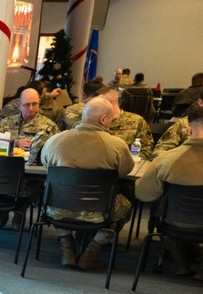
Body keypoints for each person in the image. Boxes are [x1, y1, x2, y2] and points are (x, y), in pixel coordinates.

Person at [39, 97, 135, 270]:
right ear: (103, 119)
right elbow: (124, 171)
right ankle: (92, 251)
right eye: (112, 118)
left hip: (58, 208)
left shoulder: (54, 141)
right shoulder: (116, 145)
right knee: (125, 205)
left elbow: (47, 166)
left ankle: (66, 246)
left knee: (50, 194)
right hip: (99, 211)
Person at [135, 103, 203, 277]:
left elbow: (144, 194)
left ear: (188, 130)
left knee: (161, 209)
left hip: (173, 220)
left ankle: (178, 261)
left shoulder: (165, 160)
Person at [0, 87, 60, 229]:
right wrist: (15, 142)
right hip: (6, 172)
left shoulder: (49, 126)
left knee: (26, 186)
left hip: (32, 175)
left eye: (35, 104)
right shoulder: (7, 122)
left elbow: (57, 150)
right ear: (19, 105)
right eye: (27, 104)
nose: (31, 108)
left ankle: (19, 212)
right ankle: (1, 211)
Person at [96, 86, 155, 160]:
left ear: (111, 102)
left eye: (99, 103)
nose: (95, 106)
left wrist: (132, 162)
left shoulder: (136, 121)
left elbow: (146, 149)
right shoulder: (93, 120)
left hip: (127, 167)